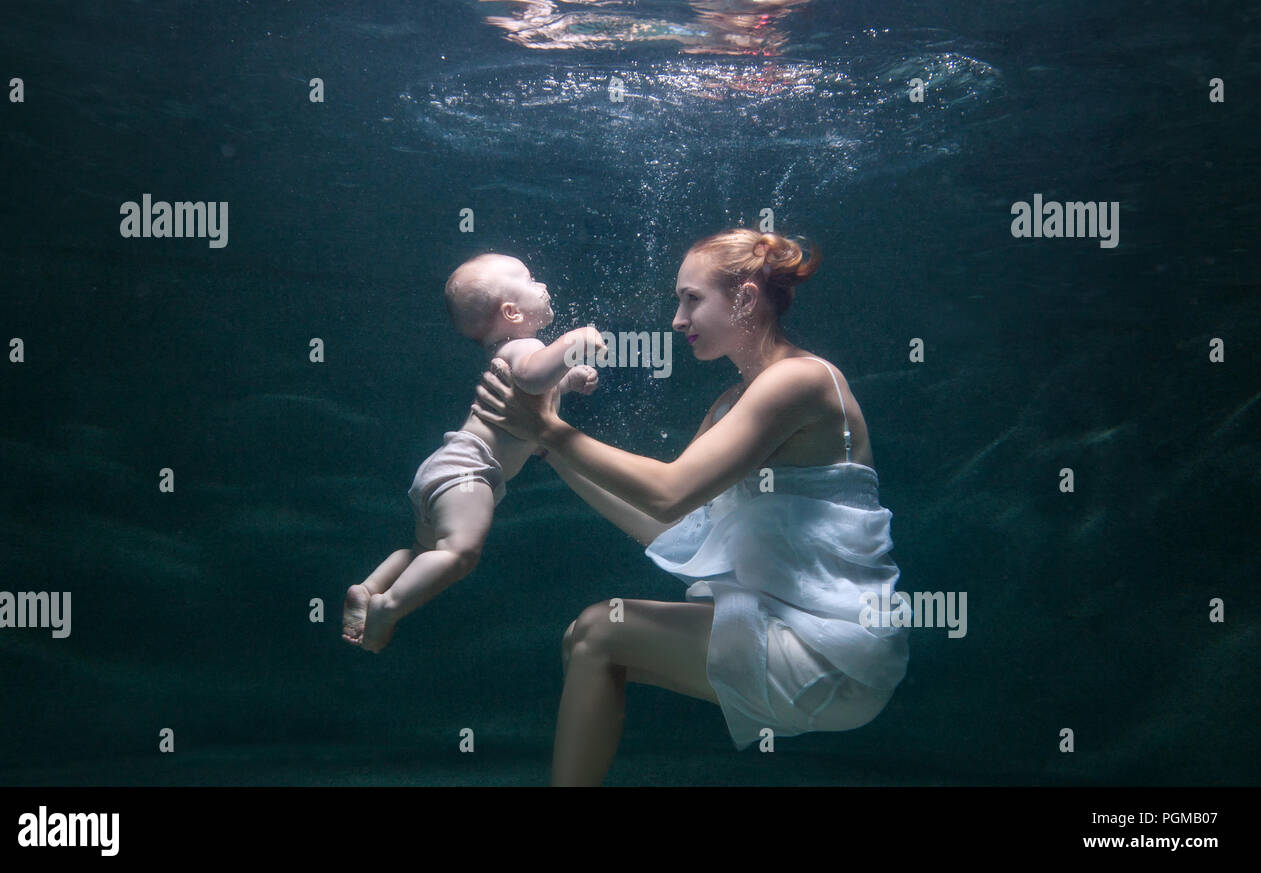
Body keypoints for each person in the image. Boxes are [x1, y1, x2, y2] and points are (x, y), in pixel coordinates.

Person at [471, 228, 910, 785]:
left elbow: (668, 488)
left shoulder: (799, 380)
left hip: (835, 656)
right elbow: (667, 522)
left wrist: (553, 432)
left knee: (600, 631)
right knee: (591, 639)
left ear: (747, 299)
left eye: (692, 298)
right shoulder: (733, 402)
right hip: (794, 635)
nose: (677, 320)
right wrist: (547, 448)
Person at [342, 253, 604, 653]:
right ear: (512, 312)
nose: (544, 286)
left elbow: (535, 390)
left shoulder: (512, 353)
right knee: (459, 553)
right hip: (468, 472)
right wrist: (576, 340)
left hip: (447, 471)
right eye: (531, 280)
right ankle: (387, 607)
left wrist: (568, 381)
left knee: (424, 552)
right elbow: (533, 377)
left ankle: (369, 586)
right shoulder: (525, 348)